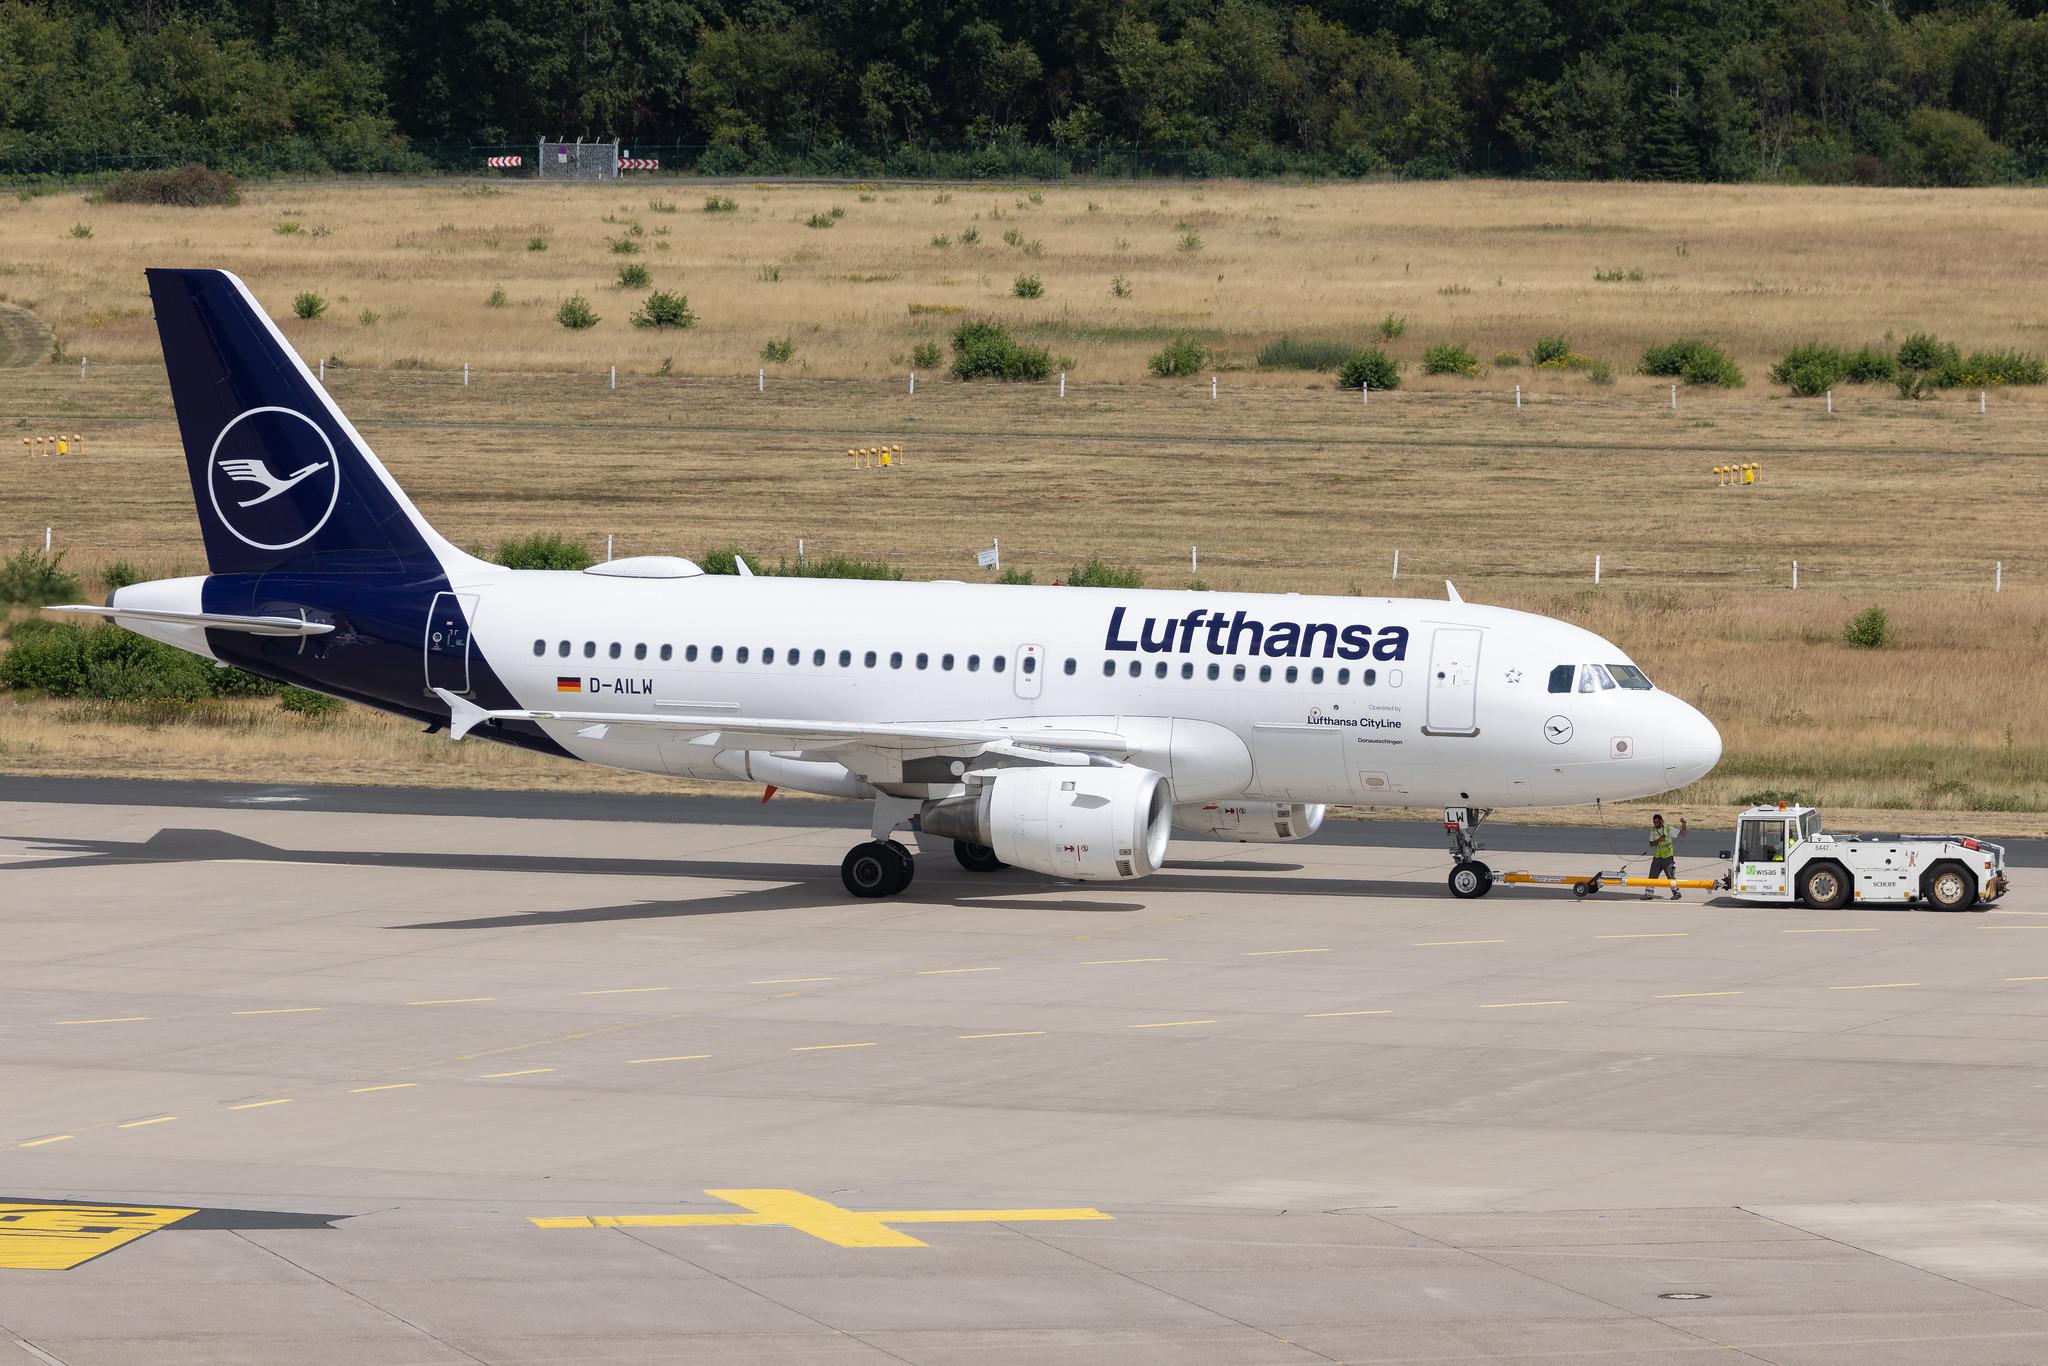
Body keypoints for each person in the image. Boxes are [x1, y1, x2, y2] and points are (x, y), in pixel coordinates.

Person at [1643, 813, 1688, 901]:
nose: (1655, 824)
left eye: (1657, 822)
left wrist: (1684, 824)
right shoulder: (1653, 831)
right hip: (1657, 857)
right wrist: (1659, 840)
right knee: (1652, 876)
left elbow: (1682, 833)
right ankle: (1648, 894)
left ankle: (1677, 893)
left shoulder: (1668, 829)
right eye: (1654, 823)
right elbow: (1651, 844)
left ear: (1661, 821)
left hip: (1667, 857)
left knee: (1670, 876)